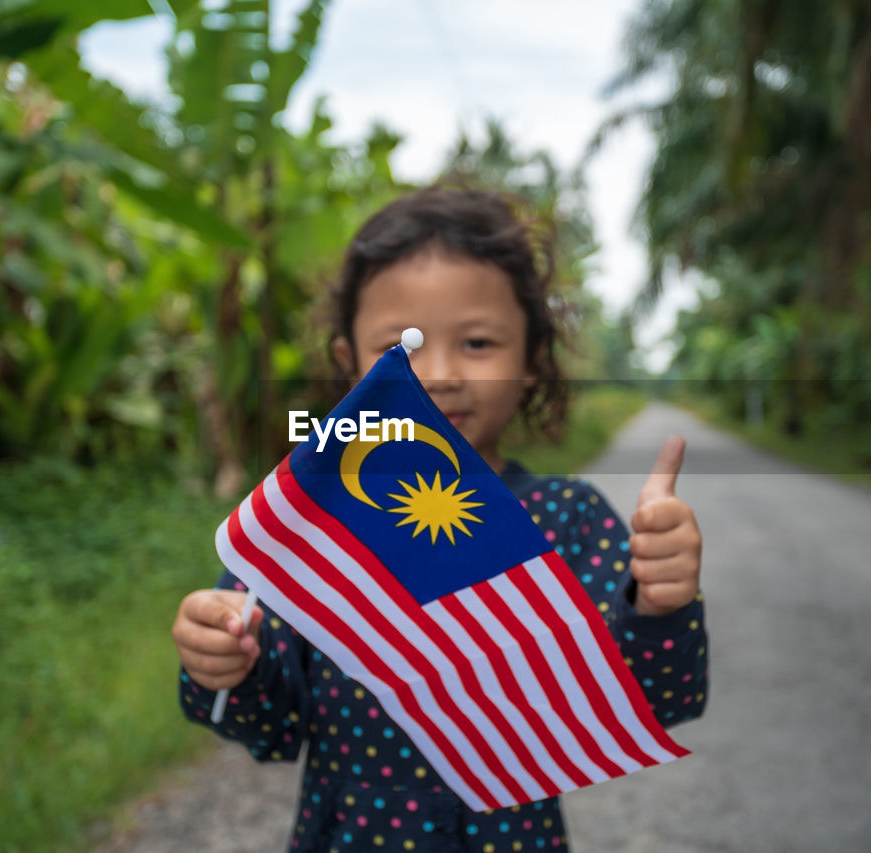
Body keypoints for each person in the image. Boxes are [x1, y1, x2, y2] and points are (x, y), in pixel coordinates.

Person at [172, 186, 708, 852]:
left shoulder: (566, 521)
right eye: (403, 347)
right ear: (349, 365)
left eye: (478, 342)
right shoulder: (318, 525)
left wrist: (659, 603)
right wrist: (225, 658)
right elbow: (273, 725)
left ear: (532, 359)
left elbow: (651, 703)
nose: (442, 375)